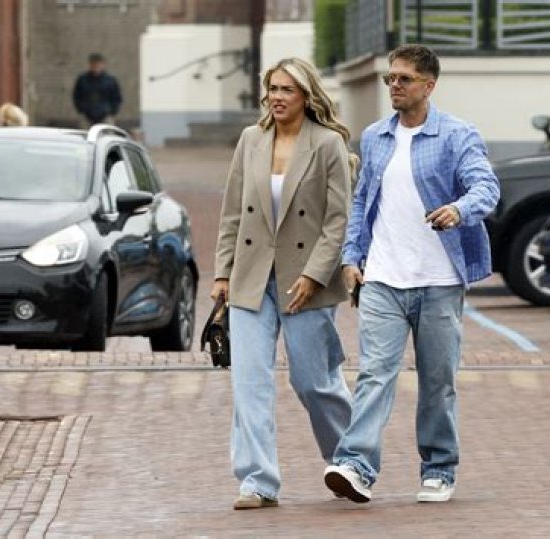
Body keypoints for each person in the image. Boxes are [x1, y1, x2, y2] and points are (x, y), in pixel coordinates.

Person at [323, 44, 500, 504]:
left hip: (439, 281)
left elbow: (486, 187)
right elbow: (362, 201)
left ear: (429, 85)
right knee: (374, 375)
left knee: (437, 381)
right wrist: (351, 256)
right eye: (390, 78)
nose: (394, 86)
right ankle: (356, 466)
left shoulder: (457, 135)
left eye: (404, 79)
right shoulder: (375, 137)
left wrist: (459, 210)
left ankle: (439, 468)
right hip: (383, 277)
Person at [211, 57, 357, 510]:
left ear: (306, 96)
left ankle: (350, 460)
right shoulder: (251, 140)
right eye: (272, 88)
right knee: (249, 383)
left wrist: (315, 274)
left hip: (306, 280)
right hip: (251, 276)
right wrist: (222, 273)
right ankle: (257, 481)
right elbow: (232, 212)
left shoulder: (328, 143)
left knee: (314, 382)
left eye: (286, 90)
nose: (276, 97)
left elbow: (338, 220)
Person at [72, 53, 122, 127]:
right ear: (90, 65)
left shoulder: (110, 80)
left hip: (105, 116)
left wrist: (112, 111)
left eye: (98, 64)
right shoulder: (82, 79)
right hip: (86, 116)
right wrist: (81, 109)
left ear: (103, 65)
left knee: (107, 133)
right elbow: (76, 95)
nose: (96, 66)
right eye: (94, 64)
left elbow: (116, 97)